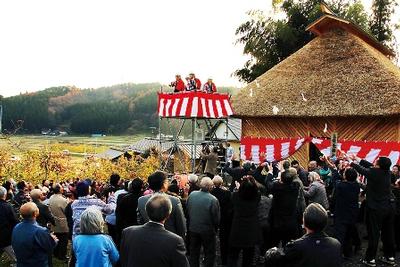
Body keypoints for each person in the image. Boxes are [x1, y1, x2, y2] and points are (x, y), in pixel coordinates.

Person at [349, 155, 396, 266]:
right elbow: (369, 166)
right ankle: (390, 256)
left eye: (377, 161)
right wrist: (357, 158)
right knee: (388, 233)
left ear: (378, 165)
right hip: (389, 207)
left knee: (374, 233)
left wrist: (351, 162)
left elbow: (362, 169)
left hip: (376, 208)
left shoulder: (374, 173)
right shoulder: (388, 173)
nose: (374, 161)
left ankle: (370, 259)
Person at [121, 194, 189, 267]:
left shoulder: (128, 232)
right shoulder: (175, 241)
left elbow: (123, 259)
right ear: (168, 215)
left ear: (146, 211)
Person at [265, 203, 341, 267]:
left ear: (304, 222)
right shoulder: (336, 244)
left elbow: (274, 260)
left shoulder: (297, 245)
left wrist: (271, 252)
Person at [137, 171, 186, 238]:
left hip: (148, 238)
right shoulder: (174, 201)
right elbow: (181, 225)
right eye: (167, 181)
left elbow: (140, 222)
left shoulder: (141, 200)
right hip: (170, 240)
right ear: (164, 184)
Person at [228, 175, 261, 267]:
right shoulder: (257, 196)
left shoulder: (235, 196)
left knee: (233, 256)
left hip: (237, 229)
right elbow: (255, 191)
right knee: (248, 258)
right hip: (251, 230)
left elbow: (237, 195)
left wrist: (238, 189)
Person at [186, 177, 220, 267]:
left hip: (193, 228)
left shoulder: (192, 194)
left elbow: (187, 208)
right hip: (207, 230)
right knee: (209, 252)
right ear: (210, 187)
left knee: (194, 252)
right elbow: (216, 218)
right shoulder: (213, 200)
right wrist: (215, 229)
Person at [12, 202, 58, 267]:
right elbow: (50, 245)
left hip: (21, 263)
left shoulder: (16, 227)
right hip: (37, 263)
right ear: (35, 213)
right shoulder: (40, 231)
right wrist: (53, 239)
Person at [332, 167, 361, 258]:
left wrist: (332, 209)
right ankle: (348, 253)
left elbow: (334, 198)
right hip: (352, 212)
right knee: (349, 234)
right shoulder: (356, 185)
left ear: (346, 176)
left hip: (341, 212)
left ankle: (338, 253)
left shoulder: (340, 186)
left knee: (339, 234)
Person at [115, 178, 144, 247]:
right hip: (140, 230)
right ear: (142, 187)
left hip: (127, 228)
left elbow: (119, 215)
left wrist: (119, 232)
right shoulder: (143, 200)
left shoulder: (125, 199)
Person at [211, 176, 232, 266]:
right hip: (224, 218)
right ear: (221, 183)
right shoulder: (227, 193)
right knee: (224, 239)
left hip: (212, 217)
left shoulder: (210, 193)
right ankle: (224, 259)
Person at [48, 184, 69, 261]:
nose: (63, 188)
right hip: (62, 222)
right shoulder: (63, 200)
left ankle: (55, 253)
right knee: (63, 239)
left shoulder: (51, 198)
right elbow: (67, 211)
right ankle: (62, 255)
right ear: (59, 190)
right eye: (61, 187)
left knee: (56, 237)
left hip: (54, 221)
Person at [0, 186, 19, 264]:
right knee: (16, 258)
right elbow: (15, 221)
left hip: (5, 236)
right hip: (6, 238)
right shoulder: (7, 206)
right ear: (5, 194)